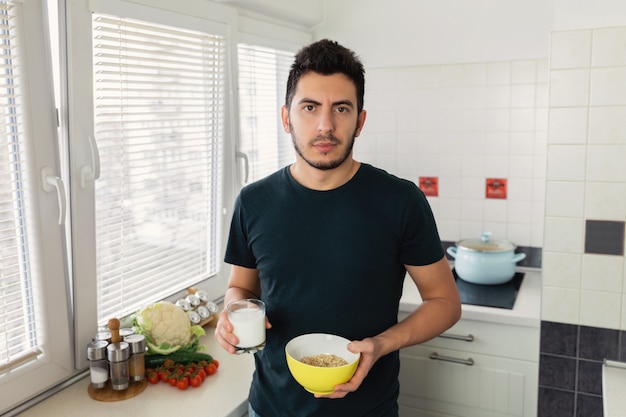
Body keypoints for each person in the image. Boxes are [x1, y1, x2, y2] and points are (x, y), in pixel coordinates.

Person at [215, 39, 461, 417]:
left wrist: (381, 344)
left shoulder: (401, 201)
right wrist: (232, 312)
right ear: (286, 118)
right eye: (310, 107)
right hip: (269, 408)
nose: (325, 125)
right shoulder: (253, 201)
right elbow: (241, 287)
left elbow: (445, 303)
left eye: (341, 108)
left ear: (360, 121)